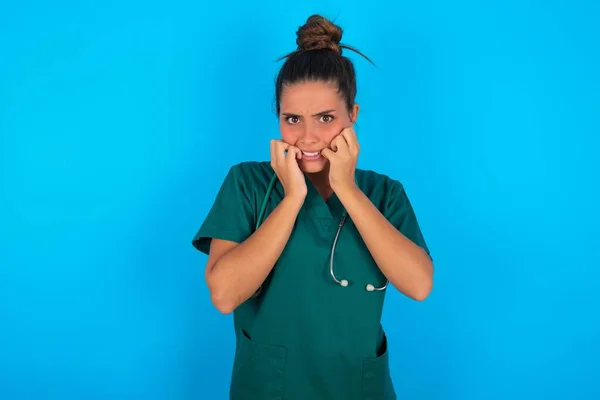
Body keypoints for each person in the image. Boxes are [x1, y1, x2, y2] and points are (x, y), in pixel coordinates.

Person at [191, 14, 434, 400]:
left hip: (359, 389)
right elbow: (224, 295)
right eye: (292, 119)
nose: (308, 137)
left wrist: (348, 190)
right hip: (271, 389)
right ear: (278, 118)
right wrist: (292, 199)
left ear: (352, 115)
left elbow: (419, 285)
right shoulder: (248, 185)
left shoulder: (384, 194)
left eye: (326, 118)